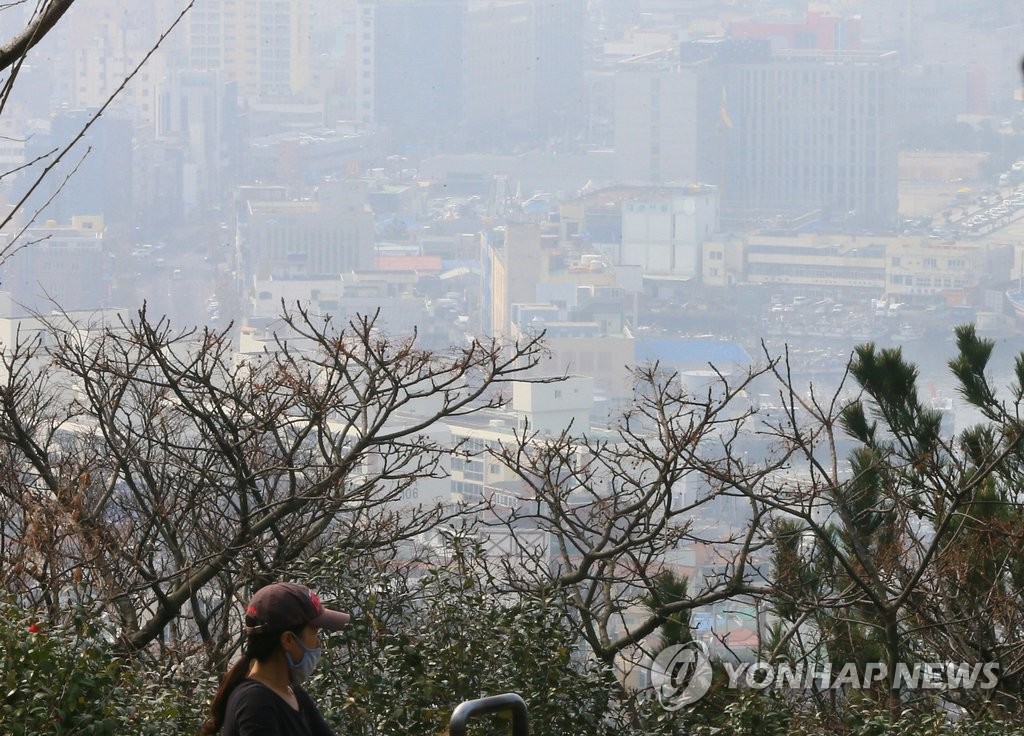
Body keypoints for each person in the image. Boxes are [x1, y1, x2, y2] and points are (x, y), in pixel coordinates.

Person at [200, 581, 351, 736]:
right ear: (288, 640)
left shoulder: (293, 693)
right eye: (315, 633)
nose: (318, 643)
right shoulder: (255, 703)